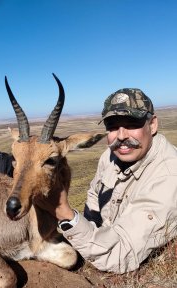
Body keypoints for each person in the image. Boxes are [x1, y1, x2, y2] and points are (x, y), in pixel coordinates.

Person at [53, 88, 177, 274]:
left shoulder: (168, 177)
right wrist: (89, 227)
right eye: (112, 126)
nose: (121, 136)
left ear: (152, 125)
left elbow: (120, 255)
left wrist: (66, 214)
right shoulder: (110, 156)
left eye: (132, 124)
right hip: (102, 244)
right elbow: (95, 194)